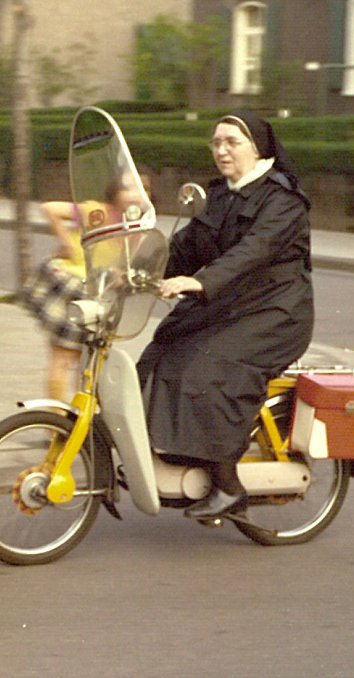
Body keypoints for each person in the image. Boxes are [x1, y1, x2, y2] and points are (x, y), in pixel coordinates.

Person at [137, 110, 314, 519]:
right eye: (216, 143)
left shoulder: (283, 200)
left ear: (257, 148)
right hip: (233, 307)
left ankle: (228, 484)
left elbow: (252, 252)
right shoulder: (220, 195)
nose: (221, 150)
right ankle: (183, 454)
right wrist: (138, 265)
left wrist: (199, 283)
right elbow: (185, 247)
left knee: (209, 367)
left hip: (276, 312)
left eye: (231, 142)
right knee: (161, 350)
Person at [23, 172, 153, 403]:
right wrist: (65, 242)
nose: (135, 194)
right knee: (63, 356)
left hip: (99, 297)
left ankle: (75, 421)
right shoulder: (98, 212)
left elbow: (126, 265)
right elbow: (50, 209)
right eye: (128, 187)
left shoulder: (138, 228)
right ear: (115, 191)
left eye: (142, 188)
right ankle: (55, 424)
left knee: (89, 362)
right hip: (72, 286)